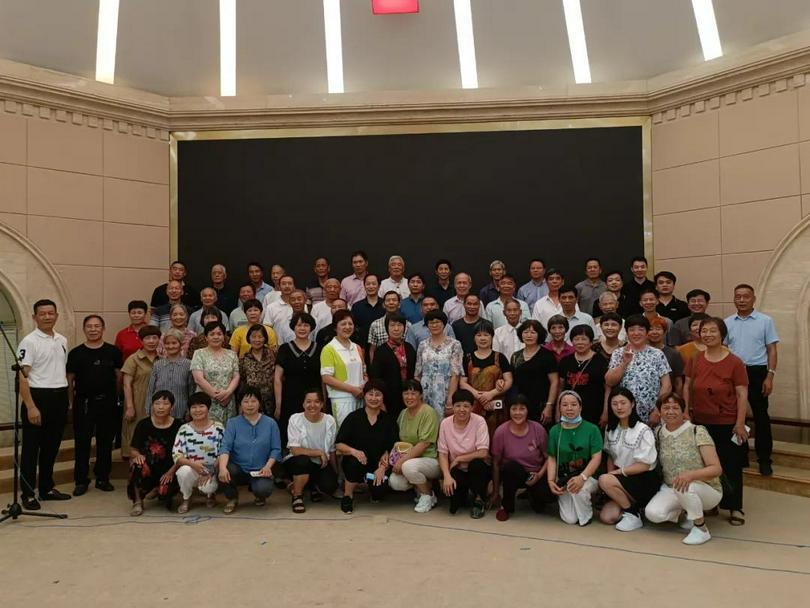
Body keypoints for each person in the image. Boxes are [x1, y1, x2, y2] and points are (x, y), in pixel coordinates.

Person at [684, 317, 749, 526]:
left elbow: (741, 394)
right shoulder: (695, 359)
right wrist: (686, 411)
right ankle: (710, 502)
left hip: (727, 422)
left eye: (713, 331)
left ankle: (734, 506)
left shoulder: (735, 362)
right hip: (701, 421)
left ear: (722, 334)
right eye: (705, 331)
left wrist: (740, 423)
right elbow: (687, 386)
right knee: (703, 464)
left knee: (730, 464)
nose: (708, 334)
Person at [645, 393, 723, 545]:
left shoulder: (697, 431)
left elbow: (716, 469)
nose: (670, 411)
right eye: (666, 408)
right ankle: (688, 511)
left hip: (704, 488)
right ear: (660, 412)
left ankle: (701, 528)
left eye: (675, 407)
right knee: (653, 514)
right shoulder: (659, 432)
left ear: (683, 411)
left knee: (684, 486)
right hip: (672, 487)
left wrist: (691, 475)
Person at [16, 299, 72, 508]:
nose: (47, 317)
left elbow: (61, 371)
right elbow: (22, 377)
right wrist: (30, 406)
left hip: (58, 398)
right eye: (43, 314)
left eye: (51, 313)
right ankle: (28, 494)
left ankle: (47, 488)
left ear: (56, 315)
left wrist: (66, 401)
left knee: (51, 447)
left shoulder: (62, 340)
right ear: (34, 317)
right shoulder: (29, 342)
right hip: (37, 398)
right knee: (31, 449)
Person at [725, 284, 779, 476]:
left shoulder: (765, 321)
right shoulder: (727, 322)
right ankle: (741, 455)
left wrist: (770, 375)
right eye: (738, 296)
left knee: (761, 416)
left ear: (753, 299)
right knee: (736, 415)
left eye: (745, 296)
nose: (741, 300)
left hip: (757, 372)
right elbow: (723, 350)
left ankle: (764, 459)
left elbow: (772, 349)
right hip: (733, 372)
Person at [66, 315, 122, 497]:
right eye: (89, 326)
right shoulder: (76, 353)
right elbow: (70, 380)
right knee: (82, 443)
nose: (93, 329)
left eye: (97, 326)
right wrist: (71, 404)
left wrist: (117, 398)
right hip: (84, 403)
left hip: (108, 402)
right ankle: (81, 480)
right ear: (84, 329)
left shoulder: (113, 351)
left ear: (103, 329)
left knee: (105, 443)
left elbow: (119, 376)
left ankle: (102, 478)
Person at [598, 387, 659, 531]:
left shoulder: (643, 429)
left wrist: (614, 475)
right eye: (614, 403)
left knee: (603, 479)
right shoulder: (610, 429)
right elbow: (611, 457)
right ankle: (635, 508)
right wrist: (610, 478)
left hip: (643, 479)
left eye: (623, 403)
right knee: (607, 517)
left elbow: (644, 465)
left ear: (632, 404)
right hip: (621, 480)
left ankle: (633, 514)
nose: (619, 407)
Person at [335, 380, 398, 514]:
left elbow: (393, 447)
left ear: (383, 397)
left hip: (378, 465)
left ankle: (371, 488)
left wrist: (383, 467)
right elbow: (339, 444)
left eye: (378, 395)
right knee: (352, 464)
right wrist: (354, 451)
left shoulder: (389, 420)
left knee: (379, 493)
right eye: (370, 394)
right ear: (364, 395)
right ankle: (348, 496)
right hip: (358, 462)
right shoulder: (353, 418)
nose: (374, 398)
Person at [218, 387, 282, 514]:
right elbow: (225, 447)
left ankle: (259, 495)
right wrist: (222, 467)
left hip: (261, 470)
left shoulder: (271, 423)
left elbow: (276, 449)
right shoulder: (233, 423)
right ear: (240, 404)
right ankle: (232, 498)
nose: (250, 405)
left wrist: (268, 467)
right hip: (238, 468)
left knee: (263, 489)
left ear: (259, 402)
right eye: (245, 401)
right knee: (224, 470)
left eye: (253, 401)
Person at [491, 395, 554, 521]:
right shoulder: (501, 432)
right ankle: (506, 506)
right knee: (510, 468)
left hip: (536, 473)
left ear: (527, 411)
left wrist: (539, 475)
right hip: (513, 474)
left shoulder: (538, 429)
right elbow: (496, 463)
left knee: (545, 500)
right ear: (508, 411)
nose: (518, 413)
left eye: (522, 409)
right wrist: (495, 491)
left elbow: (549, 457)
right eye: (514, 409)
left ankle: (532, 495)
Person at [546, 390, 602, 526]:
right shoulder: (555, 431)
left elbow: (596, 458)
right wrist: (551, 480)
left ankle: (586, 515)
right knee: (570, 519)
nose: (569, 408)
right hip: (565, 477)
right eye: (564, 405)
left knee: (578, 490)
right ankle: (576, 502)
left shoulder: (592, 429)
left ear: (580, 407)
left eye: (573, 404)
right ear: (559, 408)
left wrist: (582, 478)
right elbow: (552, 458)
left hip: (587, 476)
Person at [606, 314, 672, 425]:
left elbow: (667, 385)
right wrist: (624, 363)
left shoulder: (657, 354)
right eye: (632, 330)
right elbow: (609, 381)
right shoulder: (618, 353)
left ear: (647, 333)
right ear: (626, 333)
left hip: (651, 415)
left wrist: (657, 410)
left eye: (641, 330)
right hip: (623, 414)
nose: (636, 333)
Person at [388, 379, 441, 513]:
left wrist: (402, 461)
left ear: (421, 395)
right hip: (410, 459)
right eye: (406, 393)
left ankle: (427, 496)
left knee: (408, 467)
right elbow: (399, 442)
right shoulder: (403, 413)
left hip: (431, 459)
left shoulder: (428, 412)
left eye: (413, 393)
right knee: (395, 482)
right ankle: (423, 489)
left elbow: (424, 444)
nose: (409, 397)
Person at [127, 390, 183, 516]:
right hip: (149, 467)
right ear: (152, 406)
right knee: (137, 465)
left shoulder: (179, 426)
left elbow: (183, 453)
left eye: (165, 404)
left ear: (172, 407)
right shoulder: (143, 424)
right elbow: (133, 450)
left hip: (170, 469)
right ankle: (137, 502)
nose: (161, 407)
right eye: (157, 404)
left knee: (166, 497)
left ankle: (159, 489)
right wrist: (137, 456)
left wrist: (172, 471)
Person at [438, 389, 491, 518]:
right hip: (457, 469)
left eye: (466, 406)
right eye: (458, 406)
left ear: (472, 407)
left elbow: (483, 452)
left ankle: (479, 499)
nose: (462, 410)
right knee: (454, 507)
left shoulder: (479, 421)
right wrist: (446, 476)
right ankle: (466, 494)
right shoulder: (445, 423)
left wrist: (460, 458)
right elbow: (443, 453)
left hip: (477, 467)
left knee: (477, 464)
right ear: (453, 407)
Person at [284, 389, 339, 513]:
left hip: (320, 464)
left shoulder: (329, 420)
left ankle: (310, 486)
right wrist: (318, 452)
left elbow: (331, 450)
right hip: (298, 462)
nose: (312, 405)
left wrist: (336, 475)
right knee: (303, 461)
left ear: (322, 404)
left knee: (330, 486)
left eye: (316, 402)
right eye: (308, 402)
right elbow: (295, 450)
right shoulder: (295, 419)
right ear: (303, 404)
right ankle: (297, 495)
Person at [172, 392, 224, 514]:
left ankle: (210, 495)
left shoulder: (218, 427)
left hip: (211, 470)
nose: (197, 410)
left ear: (208, 408)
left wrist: (210, 471)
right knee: (183, 472)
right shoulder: (184, 429)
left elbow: (223, 453)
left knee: (208, 487)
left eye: (201, 406)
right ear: (189, 410)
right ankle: (186, 498)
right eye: (193, 407)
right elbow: (177, 455)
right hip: (191, 467)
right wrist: (193, 465)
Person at [459, 320, 513, 437]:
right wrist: (478, 395)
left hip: (496, 404)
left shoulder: (500, 357)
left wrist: (491, 394)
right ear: (474, 338)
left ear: (492, 337)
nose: (482, 338)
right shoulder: (467, 358)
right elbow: (462, 383)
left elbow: (508, 380)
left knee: (496, 434)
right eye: (479, 335)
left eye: (486, 335)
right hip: (474, 404)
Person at [275, 315, 322, 445]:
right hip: (290, 398)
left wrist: (324, 399)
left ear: (311, 328)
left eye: (306, 325)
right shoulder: (285, 348)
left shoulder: (319, 348)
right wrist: (278, 404)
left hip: (314, 398)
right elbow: (277, 378)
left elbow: (323, 377)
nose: (302, 328)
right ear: (293, 328)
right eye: (299, 325)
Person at [321, 310, 367, 427]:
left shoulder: (357, 347)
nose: (347, 327)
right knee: (344, 433)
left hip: (360, 397)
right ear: (335, 327)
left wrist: (363, 385)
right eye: (343, 324)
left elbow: (364, 372)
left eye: (350, 324)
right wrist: (352, 389)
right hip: (342, 400)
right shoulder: (329, 349)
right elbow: (326, 378)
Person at [121, 325, 161, 458]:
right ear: (141, 340)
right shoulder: (133, 359)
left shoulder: (162, 359)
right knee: (135, 438)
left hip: (158, 404)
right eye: (147, 338)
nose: (151, 341)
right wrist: (130, 407)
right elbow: (126, 385)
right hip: (137, 403)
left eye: (154, 338)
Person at [415, 310, 463, 418]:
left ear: (444, 324)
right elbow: (417, 373)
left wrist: (450, 398)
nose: (434, 325)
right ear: (427, 325)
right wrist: (418, 396)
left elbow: (455, 374)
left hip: (445, 391)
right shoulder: (423, 345)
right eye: (431, 322)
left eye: (437, 322)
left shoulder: (454, 344)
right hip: (425, 391)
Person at [558, 325, 608, 427]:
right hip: (569, 411)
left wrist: (606, 412)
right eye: (576, 339)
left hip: (594, 412)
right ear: (572, 342)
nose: (580, 342)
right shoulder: (565, 361)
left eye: (584, 339)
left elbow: (607, 389)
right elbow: (560, 388)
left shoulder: (600, 361)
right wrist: (557, 411)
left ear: (591, 342)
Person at [190, 322, 240, 424]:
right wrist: (217, 396)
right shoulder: (199, 353)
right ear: (206, 337)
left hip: (228, 400)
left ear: (224, 337)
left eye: (219, 334)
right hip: (206, 401)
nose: (216, 337)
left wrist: (228, 393)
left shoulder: (232, 354)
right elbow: (198, 379)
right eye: (212, 334)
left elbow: (236, 376)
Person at [368, 314, 416, 421]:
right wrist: (381, 401)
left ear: (404, 328)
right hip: (389, 398)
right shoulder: (381, 351)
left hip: (409, 397)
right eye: (392, 325)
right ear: (386, 328)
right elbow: (376, 377)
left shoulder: (409, 348)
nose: (396, 328)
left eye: (399, 325)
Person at [510, 320, 559, 424]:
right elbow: (512, 382)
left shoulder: (547, 355)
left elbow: (554, 382)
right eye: (526, 332)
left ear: (539, 335)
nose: (529, 335)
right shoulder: (515, 356)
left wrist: (549, 406)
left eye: (533, 332)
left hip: (541, 405)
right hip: (521, 407)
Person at [146, 328, 195, 420]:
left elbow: (191, 390)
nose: (170, 346)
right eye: (167, 343)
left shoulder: (189, 364)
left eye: (174, 343)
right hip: (159, 413)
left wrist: (190, 410)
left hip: (180, 413)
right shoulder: (158, 365)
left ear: (181, 344)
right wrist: (149, 409)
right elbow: (150, 390)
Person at [238, 324, 277, 417]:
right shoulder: (244, 359)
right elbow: (242, 381)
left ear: (265, 339)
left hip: (271, 401)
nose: (257, 340)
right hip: (251, 403)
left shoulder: (273, 354)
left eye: (260, 337)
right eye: (253, 337)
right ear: (249, 338)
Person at [368, 291, 411, 361]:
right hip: (382, 364)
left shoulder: (408, 325)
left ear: (399, 304)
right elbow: (372, 350)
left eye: (394, 300)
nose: (391, 303)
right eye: (388, 300)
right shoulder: (375, 324)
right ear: (383, 305)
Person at [648, 316, 684, 395]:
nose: (654, 332)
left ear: (665, 332)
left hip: (666, 399)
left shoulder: (673, 354)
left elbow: (678, 382)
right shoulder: (640, 352)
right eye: (650, 329)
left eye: (658, 329)